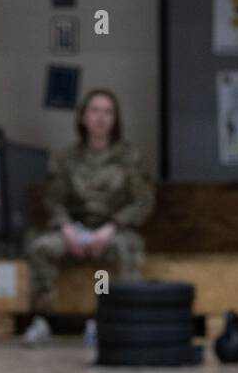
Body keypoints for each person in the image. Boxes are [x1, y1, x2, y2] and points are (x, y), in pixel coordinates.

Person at [23, 89, 156, 344]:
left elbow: (143, 201)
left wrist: (112, 227)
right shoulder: (67, 157)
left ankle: (118, 322)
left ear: (115, 120)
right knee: (40, 247)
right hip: (75, 229)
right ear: (82, 117)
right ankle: (42, 321)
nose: (100, 118)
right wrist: (66, 228)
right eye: (94, 111)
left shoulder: (129, 156)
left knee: (129, 249)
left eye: (108, 112)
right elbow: (53, 199)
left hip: (114, 229)